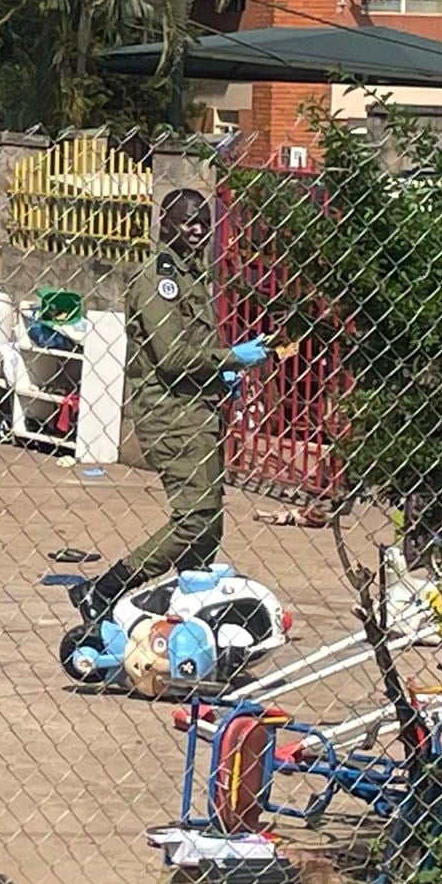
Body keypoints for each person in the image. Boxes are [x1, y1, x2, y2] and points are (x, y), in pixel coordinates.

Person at [70, 188, 272, 623]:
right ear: (165, 222)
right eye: (187, 220)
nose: (197, 228)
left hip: (197, 410)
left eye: (203, 220)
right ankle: (105, 589)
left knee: (209, 521)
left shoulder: (192, 274)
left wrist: (221, 375)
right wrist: (234, 357)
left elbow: (194, 350)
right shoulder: (157, 278)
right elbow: (172, 356)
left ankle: (190, 607)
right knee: (194, 517)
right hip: (170, 412)